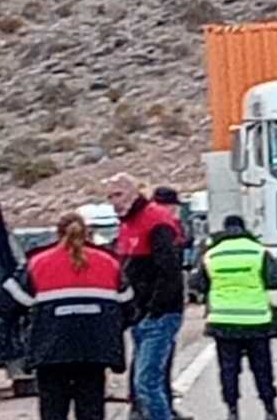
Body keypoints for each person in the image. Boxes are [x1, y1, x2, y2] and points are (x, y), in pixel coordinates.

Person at [2, 213, 132, 420]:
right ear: (88, 233)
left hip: (50, 351)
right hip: (94, 351)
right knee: (91, 409)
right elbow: (128, 306)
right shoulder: (109, 263)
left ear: (58, 233)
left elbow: (11, 301)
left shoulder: (38, 263)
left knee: (53, 410)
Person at [105, 173, 185, 420]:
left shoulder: (155, 221)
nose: (114, 202)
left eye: (118, 194)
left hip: (158, 314)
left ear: (133, 192)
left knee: (147, 382)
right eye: (110, 196)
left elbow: (169, 271)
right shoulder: (127, 224)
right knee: (145, 381)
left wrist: (154, 309)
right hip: (141, 314)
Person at [194, 215, 277, 420]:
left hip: (223, 321)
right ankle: (270, 409)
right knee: (262, 368)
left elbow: (198, 284)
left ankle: (232, 411)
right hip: (256, 321)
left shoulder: (211, 255)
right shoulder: (257, 251)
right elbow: (275, 279)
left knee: (228, 369)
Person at [143, 186, 195, 420]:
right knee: (156, 364)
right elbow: (169, 268)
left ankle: (153, 406)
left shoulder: (157, 225)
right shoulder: (164, 227)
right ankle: (157, 409)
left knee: (152, 363)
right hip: (162, 306)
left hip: (156, 304)